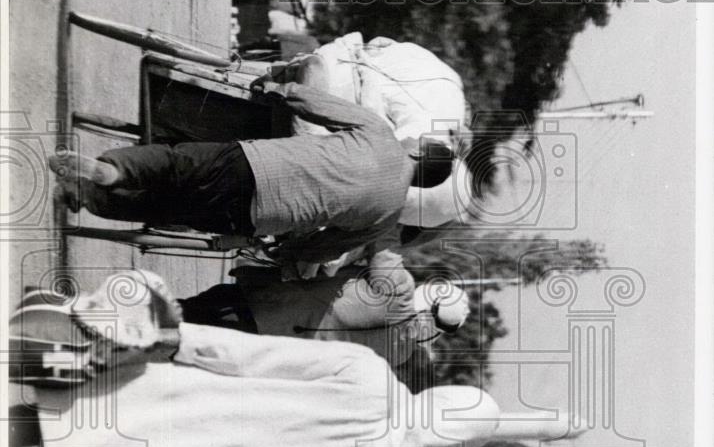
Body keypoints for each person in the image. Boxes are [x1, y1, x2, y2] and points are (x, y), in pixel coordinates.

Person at [9, 269, 507, 447]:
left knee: (64, 414)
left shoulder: (369, 373)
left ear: (441, 399)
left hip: (190, 403)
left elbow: (257, 356)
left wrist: (181, 340)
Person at [48, 80, 457, 269]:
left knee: (174, 163)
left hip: (256, 162)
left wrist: (279, 89)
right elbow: (322, 249)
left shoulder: (381, 135)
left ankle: (113, 169)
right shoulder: (385, 217)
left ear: (419, 149)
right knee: (166, 207)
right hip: (257, 218)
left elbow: (320, 105)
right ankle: (90, 196)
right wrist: (283, 252)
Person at [178, 251, 471, 367]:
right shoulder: (400, 354)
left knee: (176, 313)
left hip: (261, 306)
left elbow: (383, 238)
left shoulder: (400, 288)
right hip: (270, 355)